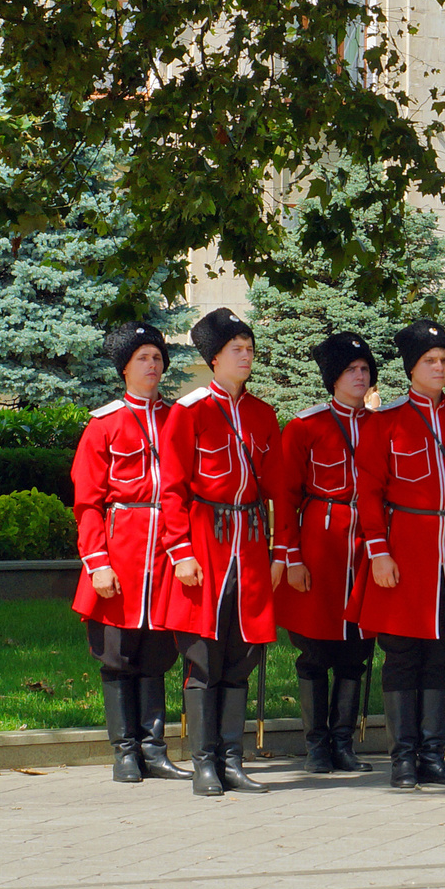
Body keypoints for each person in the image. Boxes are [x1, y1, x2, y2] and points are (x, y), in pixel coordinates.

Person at [354, 321, 445, 790]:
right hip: (403, 550)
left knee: (441, 653)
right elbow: (368, 492)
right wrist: (378, 551)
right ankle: (402, 758)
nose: (439, 367)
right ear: (411, 369)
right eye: (429, 361)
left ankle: (434, 755)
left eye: (444, 360)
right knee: (400, 654)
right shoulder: (386, 422)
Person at [155, 307, 283, 797]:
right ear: (214, 358)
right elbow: (172, 490)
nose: (247, 355)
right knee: (204, 656)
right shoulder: (190, 413)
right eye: (237, 349)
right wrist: (180, 550)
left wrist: (282, 552)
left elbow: (277, 490)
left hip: (249, 545)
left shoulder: (261, 414)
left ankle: (232, 759)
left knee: (242, 654)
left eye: (250, 348)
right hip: (204, 544)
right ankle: (204, 762)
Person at [72, 322, 190, 784]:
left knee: (158, 651)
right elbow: (87, 503)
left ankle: (153, 748)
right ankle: (124, 751)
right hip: (121, 551)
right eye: (143, 358)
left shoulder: (178, 418)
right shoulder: (104, 424)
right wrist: (97, 563)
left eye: (158, 357)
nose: (153, 365)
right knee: (119, 655)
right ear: (124, 367)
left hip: (167, 551)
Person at [272, 331, 379, 775]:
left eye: (364, 369)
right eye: (350, 370)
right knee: (315, 649)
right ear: (332, 378)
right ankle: (316, 745)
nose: (360, 376)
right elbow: (285, 496)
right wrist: (290, 557)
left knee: (357, 648)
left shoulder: (383, 424)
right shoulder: (306, 426)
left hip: (368, 550)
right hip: (319, 546)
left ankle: (343, 742)